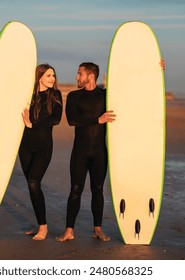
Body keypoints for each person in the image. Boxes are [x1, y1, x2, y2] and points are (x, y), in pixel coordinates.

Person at [55, 62, 116, 242]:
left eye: (79, 73)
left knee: (98, 191)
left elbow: (133, 88)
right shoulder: (74, 96)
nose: (76, 77)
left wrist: (156, 69)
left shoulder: (106, 95)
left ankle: (98, 229)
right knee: (75, 190)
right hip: (80, 152)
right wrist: (99, 119)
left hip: (99, 153)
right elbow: (73, 120)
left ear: (90, 76)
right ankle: (69, 230)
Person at [19, 64, 63, 241]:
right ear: (39, 77)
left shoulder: (56, 95)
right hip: (25, 147)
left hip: (44, 147)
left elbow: (56, 119)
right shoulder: (27, 95)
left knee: (33, 184)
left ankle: (43, 228)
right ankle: (39, 224)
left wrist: (32, 125)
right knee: (32, 188)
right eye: (48, 75)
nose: (52, 78)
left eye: (53, 75)